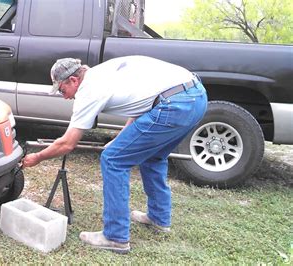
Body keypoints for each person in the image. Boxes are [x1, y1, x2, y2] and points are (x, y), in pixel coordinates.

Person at [22, 56, 208, 254]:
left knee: (113, 160)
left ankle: (115, 236)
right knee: (153, 157)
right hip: (196, 97)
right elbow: (143, 103)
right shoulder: (103, 72)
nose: (64, 96)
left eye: (62, 89)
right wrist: (122, 137)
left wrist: (37, 157)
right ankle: (159, 218)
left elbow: (67, 143)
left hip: (173, 105)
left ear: (73, 80)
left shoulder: (89, 90)